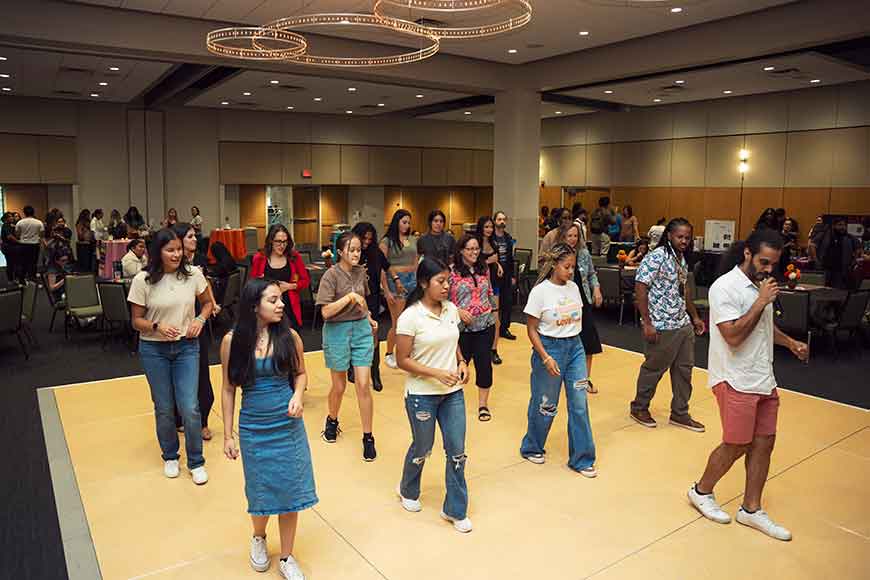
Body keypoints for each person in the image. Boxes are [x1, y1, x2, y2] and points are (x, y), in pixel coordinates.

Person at [688, 228, 807, 541]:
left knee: (764, 442)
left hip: (762, 378)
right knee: (737, 443)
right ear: (747, 254)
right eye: (764, 262)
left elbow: (763, 328)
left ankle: (751, 509)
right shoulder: (724, 288)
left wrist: (790, 342)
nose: (769, 269)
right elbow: (734, 335)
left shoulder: (760, 287)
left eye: (773, 264)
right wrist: (761, 302)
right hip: (734, 378)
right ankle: (701, 491)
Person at [220, 279, 316, 578]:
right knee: (260, 491)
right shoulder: (232, 341)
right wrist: (227, 434)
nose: (281, 304)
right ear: (254, 306)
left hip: (288, 425)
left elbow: (301, 374)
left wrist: (298, 395)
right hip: (254, 426)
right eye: (273, 300)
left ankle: (287, 557)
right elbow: (227, 388)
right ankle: (259, 537)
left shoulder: (290, 337)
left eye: (280, 299)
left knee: (291, 490)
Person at [128, 228, 214, 484]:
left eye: (179, 249)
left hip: (187, 347)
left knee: (190, 406)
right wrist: (157, 326)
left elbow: (208, 303)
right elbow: (136, 321)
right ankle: (170, 455)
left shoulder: (193, 275)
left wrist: (199, 319)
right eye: (170, 250)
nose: (177, 254)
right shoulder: (143, 280)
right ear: (159, 252)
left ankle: (196, 461)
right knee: (164, 407)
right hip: (154, 349)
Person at [395, 257, 472, 533]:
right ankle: (407, 488)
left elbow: (453, 342)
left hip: (452, 393)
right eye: (440, 281)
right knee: (423, 447)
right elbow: (402, 359)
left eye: (448, 281)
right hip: (422, 394)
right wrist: (436, 373)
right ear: (424, 283)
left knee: (457, 451)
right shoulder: (410, 317)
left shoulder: (450, 310)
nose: (446, 286)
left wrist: (461, 362)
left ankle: (455, 508)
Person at [519, 243, 597, 477]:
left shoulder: (573, 288)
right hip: (549, 348)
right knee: (546, 404)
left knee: (579, 405)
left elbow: (578, 320)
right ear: (554, 265)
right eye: (566, 266)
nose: (571, 271)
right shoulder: (540, 292)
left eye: (573, 267)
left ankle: (582, 459)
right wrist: (545, 357)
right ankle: (532, 446)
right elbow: (531, 329)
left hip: (575, 349)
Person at [630, 218, 707, 432]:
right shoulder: (657, 256)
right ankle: (639, 407)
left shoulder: (680, 258)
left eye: (687, 237)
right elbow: (640, 287)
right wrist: (647, 322)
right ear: (670, 236)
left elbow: (685, 290)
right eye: (680, 236)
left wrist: (695, 317)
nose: (684, 241)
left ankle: (680, 413)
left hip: (682, 323)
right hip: (661, 323)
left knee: (685, 370)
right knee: (654, 368)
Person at [315, 231, 379, 461]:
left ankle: (368, 437)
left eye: (358, 249)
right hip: (337, 331)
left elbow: (363, 303)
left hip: (361, 329)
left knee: (363, 384)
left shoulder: (361, 272)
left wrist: (369, 317)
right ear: (340, 251)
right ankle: (332, 420)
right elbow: (325, 312)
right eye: (351, 249)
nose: (356, 253)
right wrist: (349, 298)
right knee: (339, 385)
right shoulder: (330, 276)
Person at [173, 223, 220, 442]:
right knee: (177, 376)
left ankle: (202, 422)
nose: (194, 239)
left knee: (201, 374)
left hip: (197, 324)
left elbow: (205, 283)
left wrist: (212, 303)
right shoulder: (170, 265)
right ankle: (178, 418)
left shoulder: (199, 260)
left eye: (195, 235)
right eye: (190, 236)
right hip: (174, 326)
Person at [450, 234, 497, 421]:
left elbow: (490, 291)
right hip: (461, 329)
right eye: (470, 249)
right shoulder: (452, 272)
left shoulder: (483, 268)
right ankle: (450, 402)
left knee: (484, 365)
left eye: (476, 248)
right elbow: (443, 299)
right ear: (461, 250)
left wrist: (494, 312)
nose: (474, 252)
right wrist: (457, 311)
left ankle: (483, 405)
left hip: (485, 325)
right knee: (457, 366)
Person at [562, 223, 604, 394]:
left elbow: (591, 273)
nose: (573, 239)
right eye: (569, 236)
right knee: (567, 342)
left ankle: (585, 379)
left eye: (575, 236)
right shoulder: (559, 255)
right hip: (565, 304)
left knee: (588, 342)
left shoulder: (584, 254)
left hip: (583, 301)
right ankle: (564, 377)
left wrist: (596, 289)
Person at [347, 222, 388, 392]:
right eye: (364, 238)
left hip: (372, 299)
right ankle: (351, 367)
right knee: (353, 334)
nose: (367, 242)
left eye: (370, 239)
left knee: (374, 335)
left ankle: (375, 372)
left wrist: (394, 284)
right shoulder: (351, 252)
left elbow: (387, 267)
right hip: (353, 299)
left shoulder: (375, 252)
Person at [250, 225, 310, 330]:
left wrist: (290, 286)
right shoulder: (259, 258)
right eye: (278, 241)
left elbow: (306, 281)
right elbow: (252, 286)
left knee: (291, 340)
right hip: (268, 308)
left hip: (289, 306)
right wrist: (262, 283)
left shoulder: (294, 257)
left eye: (285, 242)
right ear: (271, 241)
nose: (282, 245)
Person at [380, 209, 418, 370]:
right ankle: (389, 353)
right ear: (396, 222)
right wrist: (387, 290)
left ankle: (406, 353)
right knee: (398, 322)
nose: (407, 225)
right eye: (404, 222)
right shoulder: (387, 241)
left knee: (412, 321)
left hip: (412, 280)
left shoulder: (412, 239)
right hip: (395, 281)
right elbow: (382, 267)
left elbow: (416, 260)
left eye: (409, 222)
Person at [476, 215, 504, 364]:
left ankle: (494, 350)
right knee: (479, 317)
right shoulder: (475, 244)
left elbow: (496, 259)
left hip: (494, 283)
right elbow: (474, 263)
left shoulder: (494, 243)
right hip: (479, 284)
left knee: (495, 319)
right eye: (486, 227)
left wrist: (497, 265)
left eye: (491, 227)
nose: (489, 229)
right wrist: (488, 261)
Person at [811, 217, 861, 289]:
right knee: (822, 290)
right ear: (834, 226)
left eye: (844, 225)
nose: (842, 227)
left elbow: (858, 249)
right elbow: (812, 245)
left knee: (837, 291)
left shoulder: (849, 237)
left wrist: (853, 261)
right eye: (840, 225)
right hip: (825, 268)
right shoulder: (824, 235)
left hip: (841, 271)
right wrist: (816, 260)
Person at [491, 211, 517, 341]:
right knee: (494, 303)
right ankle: (492, 328)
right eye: (499, 219)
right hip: (493, 274)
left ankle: (504, 328)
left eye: (504, 219)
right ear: (494, 221)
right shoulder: (491, 238)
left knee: (507, 302)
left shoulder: (508, 238)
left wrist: (512, 275)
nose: (502, 222)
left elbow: (511, 258)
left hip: (506, 274)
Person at [14, 205, 44, 282]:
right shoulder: (39, 222)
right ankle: (32, 278)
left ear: (24, 213)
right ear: (33, 212)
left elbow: (17, 235)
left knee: (23, 263)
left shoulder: (20, 222)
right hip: (34, 245)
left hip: (23, 245)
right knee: (33, 262)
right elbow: (42, 234)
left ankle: (22, 280)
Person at [1, 212, 19, 283]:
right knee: (10, 263)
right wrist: (19, 241)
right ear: (6, 219)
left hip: (11, 247)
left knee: (14, 263)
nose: (12, 218)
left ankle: (14, 279)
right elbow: (9, 236)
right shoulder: (5, 225)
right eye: (10, 217)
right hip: (8, 248)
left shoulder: (10, 225)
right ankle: (11, 280)